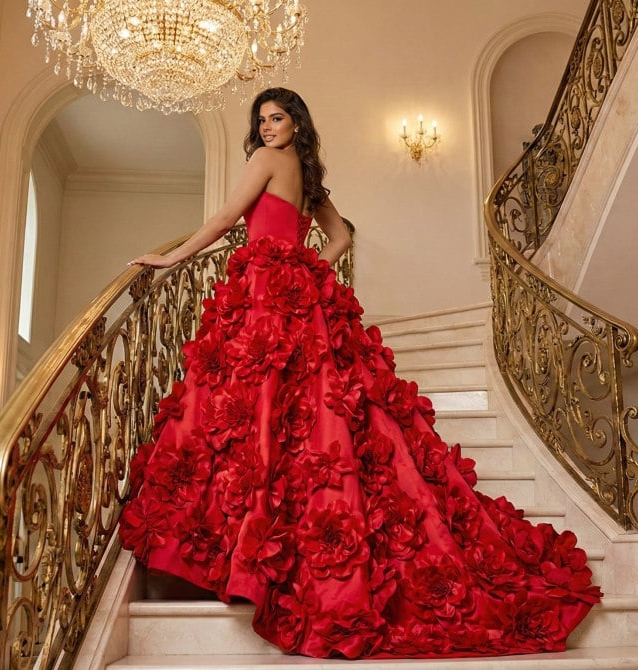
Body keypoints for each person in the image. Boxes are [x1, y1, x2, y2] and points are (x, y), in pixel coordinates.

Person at [119, 87, 601, 659]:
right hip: (297, 296)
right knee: (304, 414)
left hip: (266, 296)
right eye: (262, 121)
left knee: (258, 408)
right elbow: (341, 234)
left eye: (277, 119)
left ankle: (250, 554)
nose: (268, 128)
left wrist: (173, 257)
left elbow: (228, 219)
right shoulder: (309, 176)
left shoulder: (265, 161)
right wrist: (307, 268)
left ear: (295, 123)